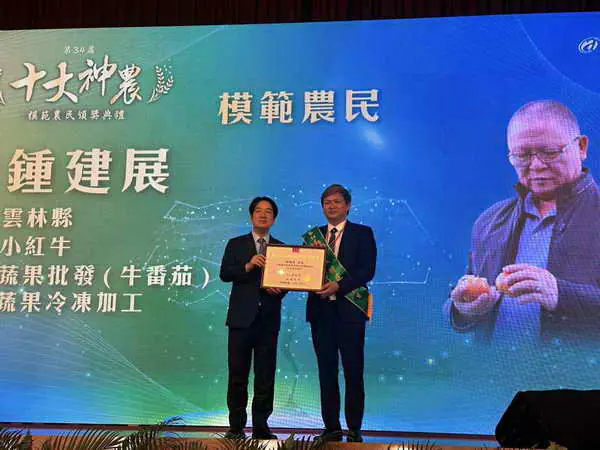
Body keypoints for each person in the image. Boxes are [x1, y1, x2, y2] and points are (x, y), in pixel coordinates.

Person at [448, 100, 600, 344]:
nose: (536, 165)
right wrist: (463, 309)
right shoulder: (489, 221)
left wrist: (563, 296)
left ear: (581, 147)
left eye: (549, 152)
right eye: (522, 155)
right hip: (493, 365)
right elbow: (464, 291)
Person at [305, 184, 377, 443]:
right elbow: (304, 271)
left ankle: (354, 428)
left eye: (337, 202)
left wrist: (339, 285)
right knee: (326, 372)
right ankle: (331, 427)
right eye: (327, 202)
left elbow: (367, 270)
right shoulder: (314, 237)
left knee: (353, 371)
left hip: (350, 313)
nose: (332, 206)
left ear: (348, 206)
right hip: (321, 313)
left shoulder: (362, 233)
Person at [220, 197, 286, 439]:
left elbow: (288, 280)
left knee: (265, 376)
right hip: (240, 320)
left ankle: (261, 426)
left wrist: (280, 289)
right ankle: (236, 427)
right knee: (237, 375)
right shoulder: (236, 244)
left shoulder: (281, 248)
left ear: (274, 219)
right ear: (251, 216)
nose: (263, 215)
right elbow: (225, 273)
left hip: (268, 320)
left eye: (268, 212)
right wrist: (248, 266)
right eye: (259, 211)